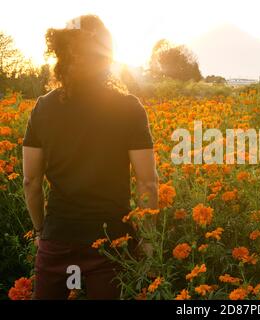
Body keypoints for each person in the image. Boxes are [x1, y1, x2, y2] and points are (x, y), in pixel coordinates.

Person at [22, 15, 159, 300]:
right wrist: (147, 238)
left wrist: (39, 231)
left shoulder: (43, 108)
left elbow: (30, 181)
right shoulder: (128, 108)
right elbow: (147, 183)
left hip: (58, 237)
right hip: (111, 242)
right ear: (106, 56)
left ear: (62, 56)